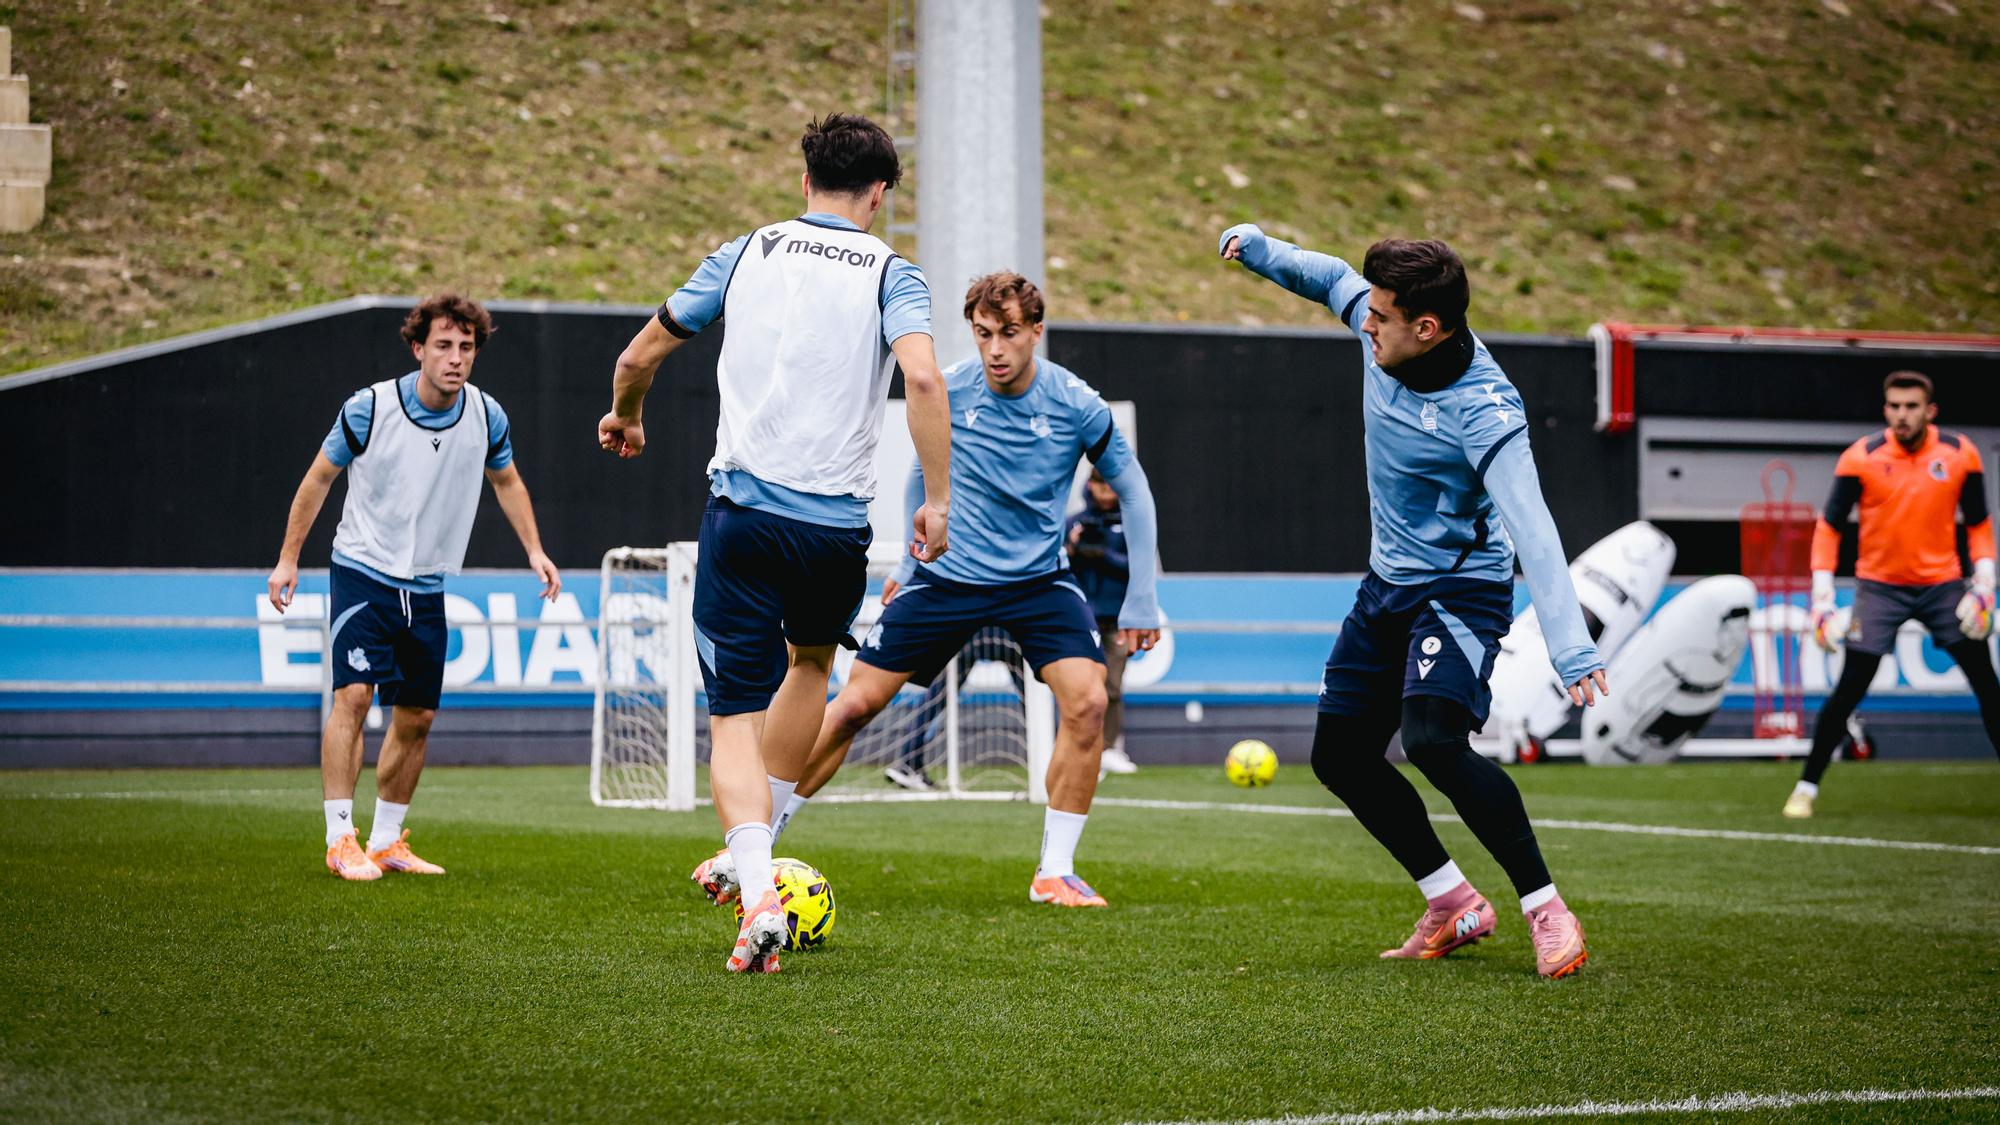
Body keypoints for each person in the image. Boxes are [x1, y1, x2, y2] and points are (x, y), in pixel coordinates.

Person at [597, 114, 952, 973]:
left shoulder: (744, 252)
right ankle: (757, 854)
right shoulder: (894, 273)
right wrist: (938, 497)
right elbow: (924, 377)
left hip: (745, 518)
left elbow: (641, 352)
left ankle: (757, 887)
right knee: (812, 666)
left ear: (804, 182)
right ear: (879, 195)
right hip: (834, 530)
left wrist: (626, 416)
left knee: (730, 716)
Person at [1219, 226, 1605, 979]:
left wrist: (1572, 643)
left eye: (1382, 316)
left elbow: (1534, 525)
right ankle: (1451, 900)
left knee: (1432, 738)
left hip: (1462, 588)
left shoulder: (1488, 410)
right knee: (1339, 757)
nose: (1366, 321)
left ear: (1426, 329)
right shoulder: (1380, 322)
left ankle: (1546, 907)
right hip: (1387, 583)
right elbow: (1325, 274)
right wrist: (1262, 249)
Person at [778, 271, 1162, 908]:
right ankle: (758, 844)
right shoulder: (950, 389)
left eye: (1010, 333)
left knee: (1089, 702)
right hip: (946, 578)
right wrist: (910, 552)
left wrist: (1141, 597)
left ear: (1037, 331)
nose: (996, 349)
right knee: (851, 707)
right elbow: (918, 480)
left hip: (1039, 581)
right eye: (984, 334)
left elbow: (1136, 490)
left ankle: (1054, 872)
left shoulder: (1076, 404)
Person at [268, 294, 561, 883]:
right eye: (444, 346)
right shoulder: (369, 408)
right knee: (352, 697)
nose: (456, 358)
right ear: (418, 348)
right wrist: (287, 559)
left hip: (426, 585)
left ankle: (384, 842)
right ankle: (339, 837)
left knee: (418, 716)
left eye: (467, 347)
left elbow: (507, 482)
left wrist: (535, 549)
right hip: (362, 571)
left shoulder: (486, 415)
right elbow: (318, 479)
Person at [1786, 371, 1999, 818]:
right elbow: (1829, 528)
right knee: (1848, 690)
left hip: (1943, 587)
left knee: (1987, 684)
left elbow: (1978, 524)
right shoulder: (1860, 458)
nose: (1902, 415)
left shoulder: (1961, 455)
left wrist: (1984, 585)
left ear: (1930, 410)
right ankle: (1805, 788)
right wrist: (1822, 598)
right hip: (1880, 590)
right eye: (1895, 407)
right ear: (1885, 410)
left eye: (1912, 406)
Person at [1068, 469, 1140, 774]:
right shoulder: (1075, 522)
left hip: (1119, 620)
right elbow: (1056, 565)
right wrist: (1072, 549)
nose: (1106, 491)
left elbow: (1137, 566)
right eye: (1100, 484)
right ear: (1090, 486)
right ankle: (1081, 748)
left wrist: (1102, 554)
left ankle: (1109, 748)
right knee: (1083, 689)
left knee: (1112, 687)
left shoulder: (1133, 521)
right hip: (1083, 618)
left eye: (1111, 485)